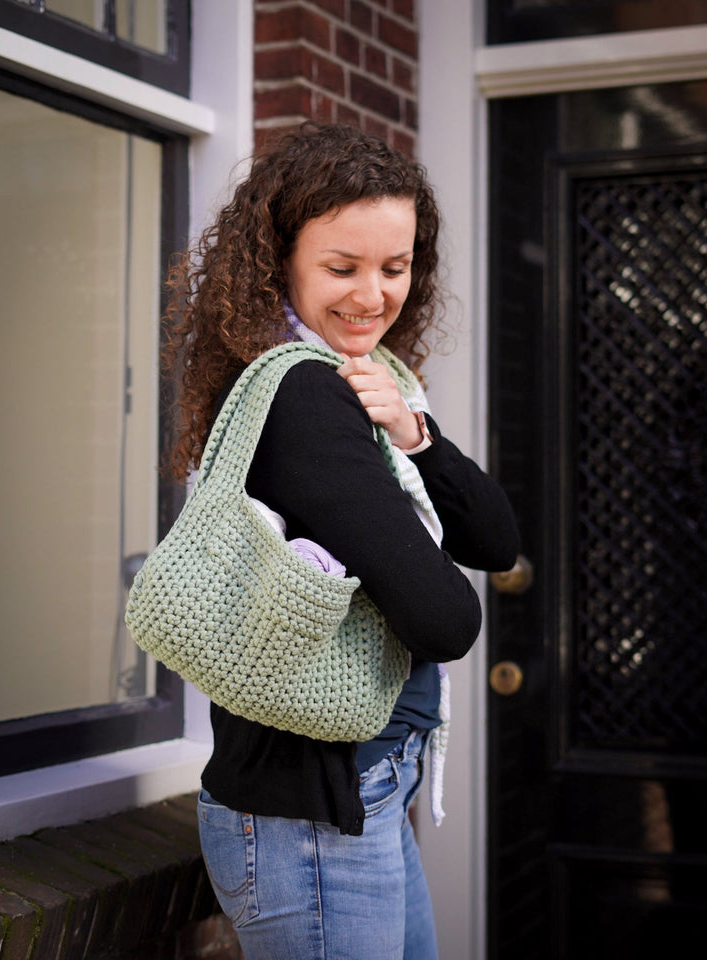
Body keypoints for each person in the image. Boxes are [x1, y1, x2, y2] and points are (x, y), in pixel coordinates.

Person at [162, 122, 520, 960]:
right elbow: (447, 619)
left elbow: (497, 541)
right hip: (306, 816)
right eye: (342, 268)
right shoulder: (303, 398)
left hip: (363, 790)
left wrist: (416, 437)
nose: (373, 295)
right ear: (279, 261)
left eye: (395, 268)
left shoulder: (379, 386)